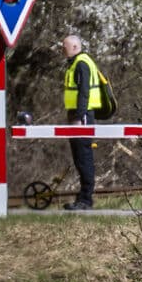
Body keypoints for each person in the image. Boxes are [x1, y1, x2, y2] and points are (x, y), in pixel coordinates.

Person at [61, 35, 102, 210]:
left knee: (83, 156)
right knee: (79, 157)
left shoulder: (82, 64)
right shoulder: (76, 62)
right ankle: (83, 198)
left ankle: (85, 200)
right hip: (76, 114)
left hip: (82, 116)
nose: (63, 51)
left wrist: (78, 117)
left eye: (65, 47)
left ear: (75, 46)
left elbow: (84, 93)